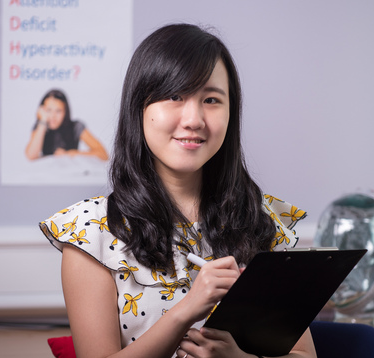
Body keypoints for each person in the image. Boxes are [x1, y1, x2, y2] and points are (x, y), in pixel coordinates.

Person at [40, 24, 316, 358]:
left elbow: (303, 354)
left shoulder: (260, 221)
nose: (195, 119)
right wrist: (187, 310)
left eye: (212, 100)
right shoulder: (91, 231)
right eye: (175, 96)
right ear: (138, 107)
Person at [25, 89, 109, 161]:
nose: (53, 116)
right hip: (47, 175)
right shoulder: (40, 126)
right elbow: (31, 155)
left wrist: (71, 154)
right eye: (48, 110)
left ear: (65, 112)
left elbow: (103, 154)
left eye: (58, 111)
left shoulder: (76, 126)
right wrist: (42, 121)